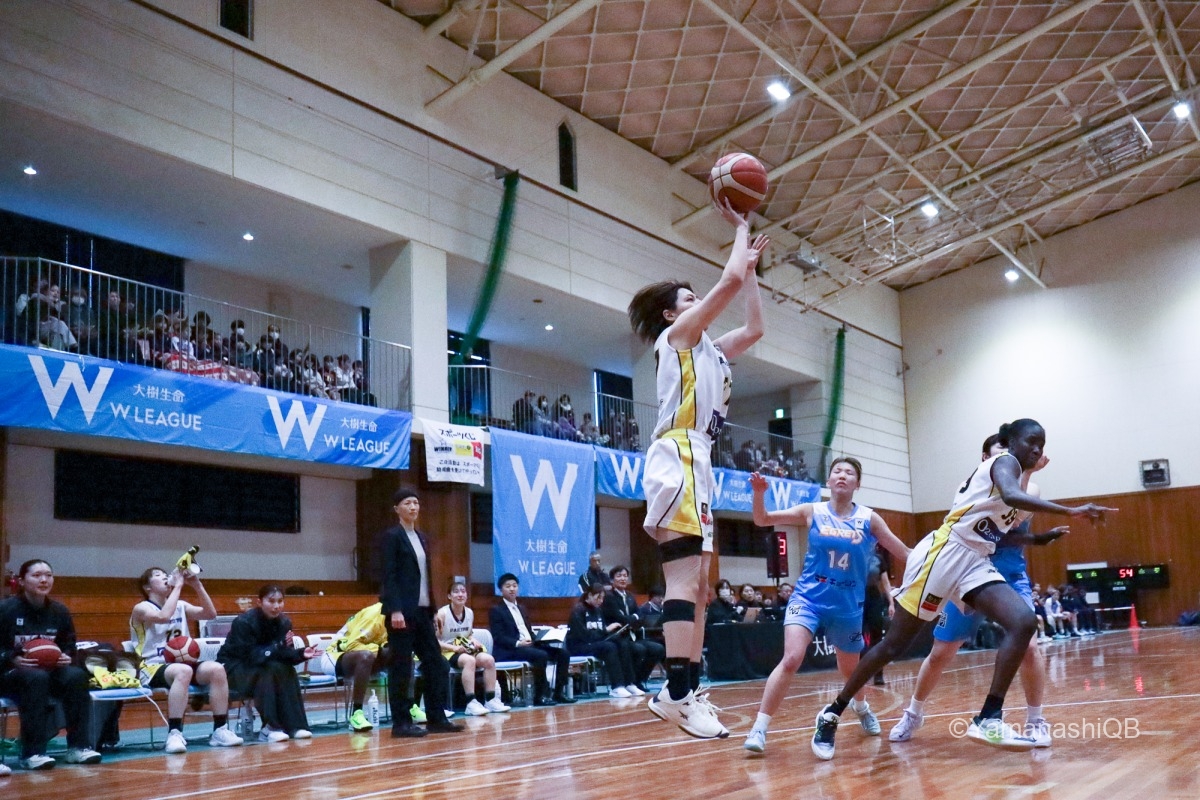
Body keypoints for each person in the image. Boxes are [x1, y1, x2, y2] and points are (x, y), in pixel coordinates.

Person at [809, 418, 1115, 759]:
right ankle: (832, 713)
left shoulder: (1014, 478)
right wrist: (1072, 510)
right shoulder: (1003, 463)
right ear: (1011, 442)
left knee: (1024, 622)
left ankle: (989, 717)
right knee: (894, 645)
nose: (1036, 449)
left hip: (975, 559)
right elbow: (1012, 494)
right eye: (1031, 441)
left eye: (1041, 444)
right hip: (944, 555)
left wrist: (1037, 539)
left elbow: (1001, 527)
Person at [628, 195, 768, 739]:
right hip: (678, 453)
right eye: (689, 298)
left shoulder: (712, 349)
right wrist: (740, 230)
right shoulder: (679, 337)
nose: (698, 302)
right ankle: (677, 693)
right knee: (685, 579)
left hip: (700, 460)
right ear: (672, 314)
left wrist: (751, 273)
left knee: (702, 587)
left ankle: (683, 688)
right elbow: (727, 281)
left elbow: (754, 327)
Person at [889, 434, 1070, 748]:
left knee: (1029, 647)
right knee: (941, 653)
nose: (1009, 455)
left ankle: (1035, 720)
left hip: (1009, 576)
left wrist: (1027, 472)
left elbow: (1016, 514)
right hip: (966, 574)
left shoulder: (1030, 489)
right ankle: (913, 713)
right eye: (1001, 450)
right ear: (986, 458)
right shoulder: (973, 487)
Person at [743, 459, 910, 756]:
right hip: (808, 599)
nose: (842, 476)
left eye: (850, 473)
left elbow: (905, 552)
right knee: (792, 658)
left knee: (851, 671)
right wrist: (758, 493)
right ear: (829, 481)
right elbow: (762, 519)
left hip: (847, 606)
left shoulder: (869, 519)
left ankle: (861, 707)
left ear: (858, 484)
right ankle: (759, 727)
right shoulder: (813, 511)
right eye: (837, 472)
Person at [0, 559, 102, 770]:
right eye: (37, 575)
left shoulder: (59, 612)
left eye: (48, 575)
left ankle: (78, 748)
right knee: (36, 678)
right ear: (22, 581)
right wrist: (11, 657)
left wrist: (66, 656)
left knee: (76, 676)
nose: (44, 580)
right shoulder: (6, 609)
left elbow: (69, 645)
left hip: (48, 673)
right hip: (9, 673)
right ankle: (32, 753)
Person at [379, 487, 464, 737]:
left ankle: (436, 717)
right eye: (407, 503)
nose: (413, 507)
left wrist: (434, 609)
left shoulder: (422, 537)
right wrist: (395, 609)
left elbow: (426, 577)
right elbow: (389, 576)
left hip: (423, 611)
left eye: (416, 503)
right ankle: (401, 723)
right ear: (397, 509)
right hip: (401, 613)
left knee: (436, 663)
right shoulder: (392, 536)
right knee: (402, 667)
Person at [130, 566, 243, 753]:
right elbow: (163, 616)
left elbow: (210, 614)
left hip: (182, 663)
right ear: (147, 587)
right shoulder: (142, 608)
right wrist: (178, 586)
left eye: (166, 575)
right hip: (151, 665)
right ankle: (174, 733)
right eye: (158, 575)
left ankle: (220, 730)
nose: (165, 577)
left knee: (216, 669)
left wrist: (197, 585)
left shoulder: (180, 605)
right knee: (184, 671)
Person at [216, 585, 322, 742]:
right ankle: (270, 727)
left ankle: (295, 726)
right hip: (233, 669)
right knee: (269, 670)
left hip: (262, 667)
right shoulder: (243, 622)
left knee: (285, 668)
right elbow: (251, 657)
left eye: (280, 601)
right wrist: (277, 646)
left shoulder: (284, 622)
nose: (276, 606)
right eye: (271, 601)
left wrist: (300, 654)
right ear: (259, 602)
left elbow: (283, 654)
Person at [488, 573, 574, 706]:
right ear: (501, 590)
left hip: (530, 645)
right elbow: (498, 637)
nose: (512, 589)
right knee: (540, 655)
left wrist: (541, 639)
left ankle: (558, 693)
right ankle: (540, 696)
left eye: (514, 586)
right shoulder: (496, 610)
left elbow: (528, 631)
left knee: (563, 654)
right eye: (508, 586)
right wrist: (518, 643)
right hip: (511, 649)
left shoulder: (522, 608)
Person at [435, 580, 510, 716]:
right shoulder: (442, 614)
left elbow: (468, 634)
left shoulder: (469, 612)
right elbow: (434, 641)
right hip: (446, 651)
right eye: (456, 592)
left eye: (463, 591)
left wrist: (474, 641)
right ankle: (470, 703)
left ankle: (490, 700)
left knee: (489, 660)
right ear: (449, 596)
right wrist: (454, 648)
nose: (460, 594)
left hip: (464, 648)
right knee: (469, 661)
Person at [318, 602, 390, 731]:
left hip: (367, 657)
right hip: (335, 656)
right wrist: (380, 650)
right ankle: (356, 714)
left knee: (404, 656)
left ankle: (410, 708)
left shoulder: (403, 617)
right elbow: (352, 645)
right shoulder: (373, 615)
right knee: (366, 656)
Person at [568, 583, 642, 697]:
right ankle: (617, 686)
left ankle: (629, 683)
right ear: (589, 595)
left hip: (595, 642)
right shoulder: (578, 610)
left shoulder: (598, 610)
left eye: (602, 598)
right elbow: (584, 636)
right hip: (580, 645)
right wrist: (606, 630)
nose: (601, 601)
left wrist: (612, 633)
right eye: (598, 597)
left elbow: (600, 633)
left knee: (622, 643)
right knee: (609, 647)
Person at [603, 566, 665, 690]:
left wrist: (632, 618)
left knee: (657, 648)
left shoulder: (630, 596)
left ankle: (639, 680)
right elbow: (619, 618)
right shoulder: (609, 597)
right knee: (639, 649)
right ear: (612, 580)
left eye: (625, 576)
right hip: (617, 637)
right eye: (619, 576)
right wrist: (632, 618)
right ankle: (629, 682)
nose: (623, 579)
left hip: (633, 635)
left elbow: (640, 615)